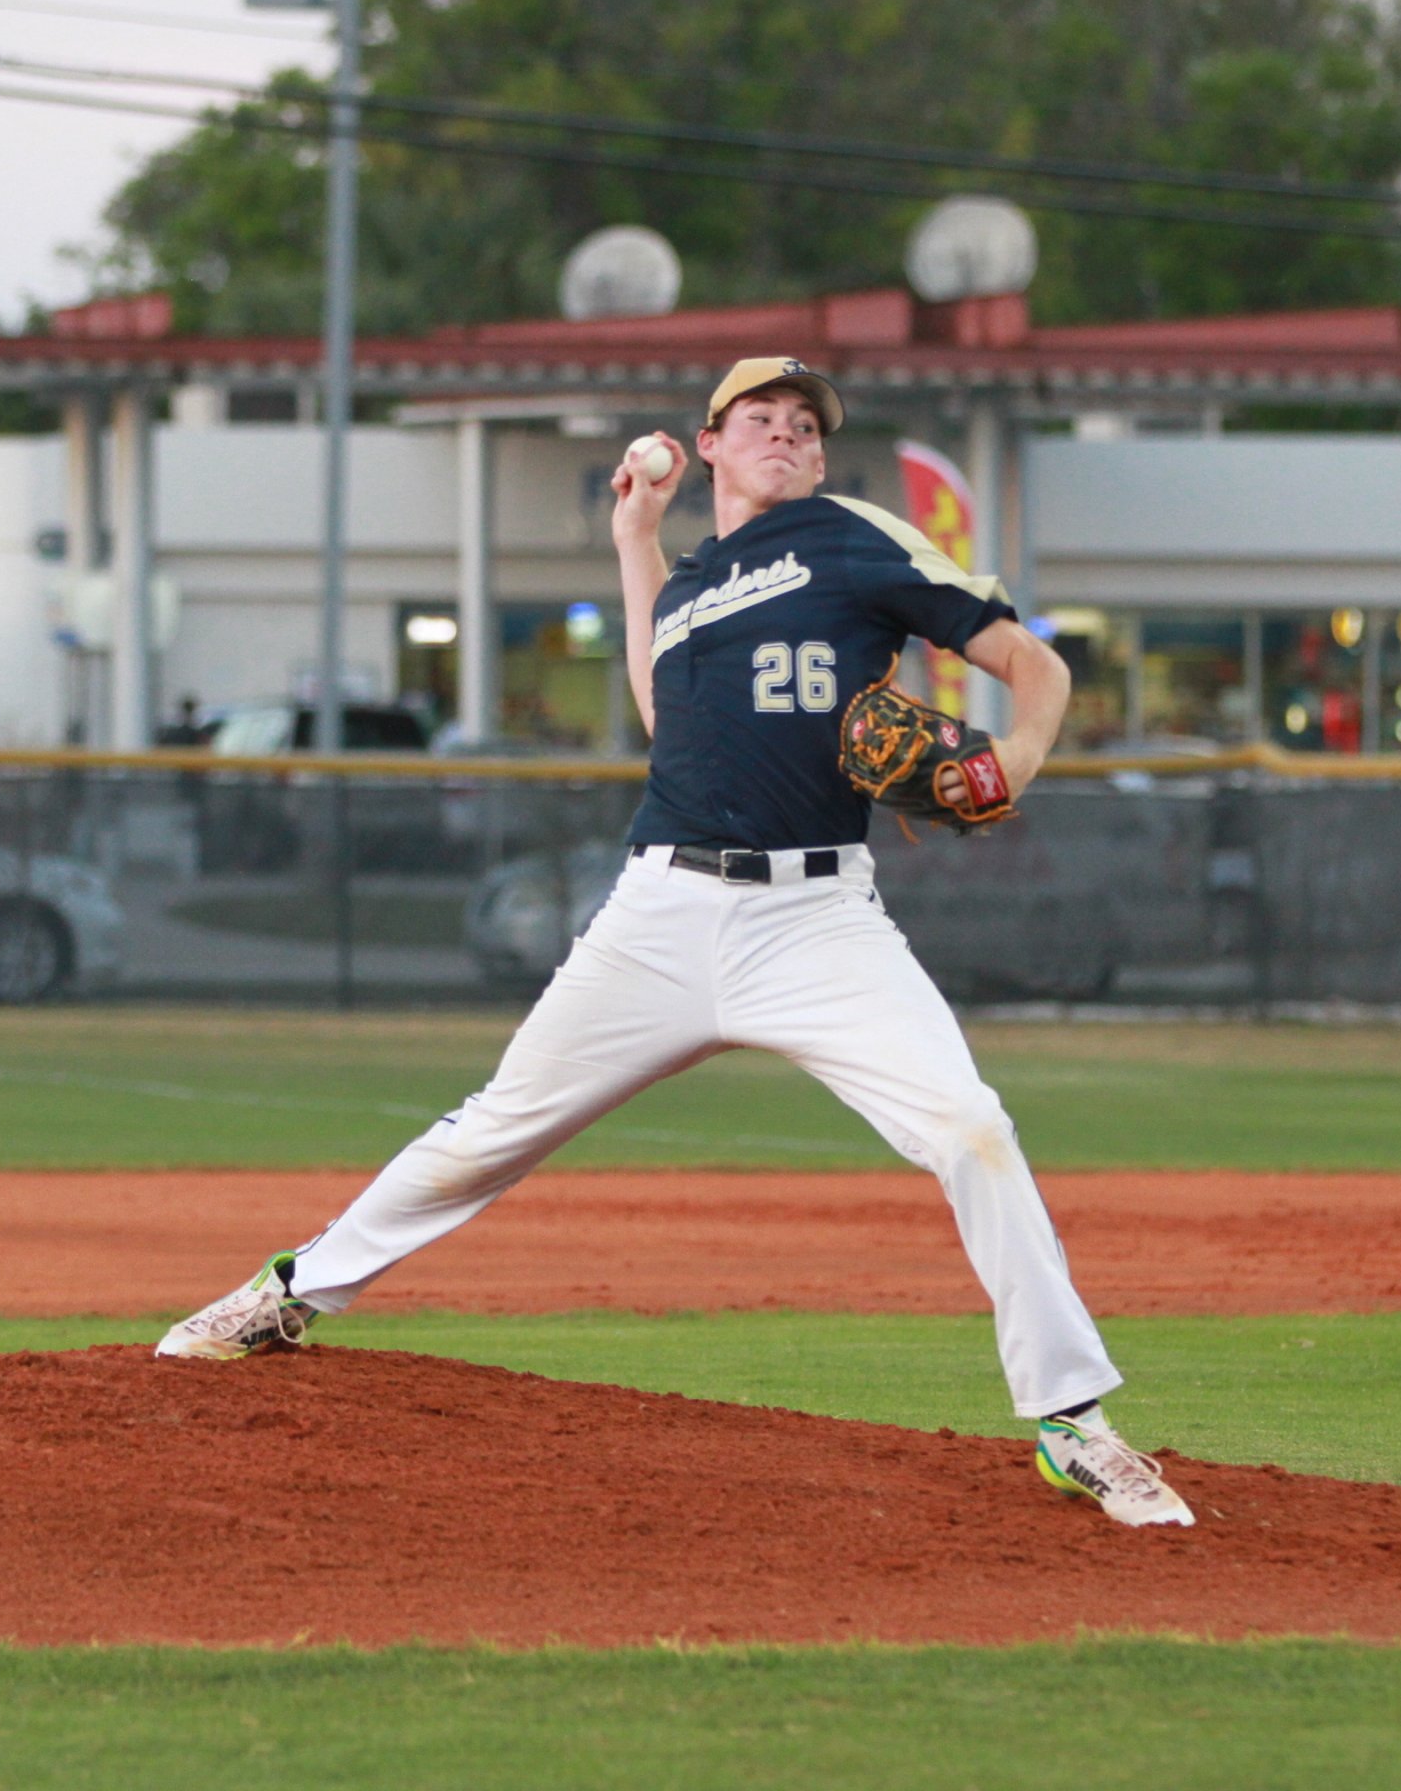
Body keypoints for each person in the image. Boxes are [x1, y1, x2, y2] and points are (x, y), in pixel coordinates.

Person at [157, 357, 1192, 1528]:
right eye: (761, 419)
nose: (789, 436)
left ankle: (1073, 1423)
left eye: (806, 424)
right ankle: (289, 1289)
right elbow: (664, 715)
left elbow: (1033, 665)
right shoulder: (694, 581)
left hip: (813, 919)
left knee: (969, 1126)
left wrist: (1014, 759)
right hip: (658, 911)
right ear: (709, 444)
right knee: (494, 1126)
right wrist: (634, 534)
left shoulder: (849, 536)